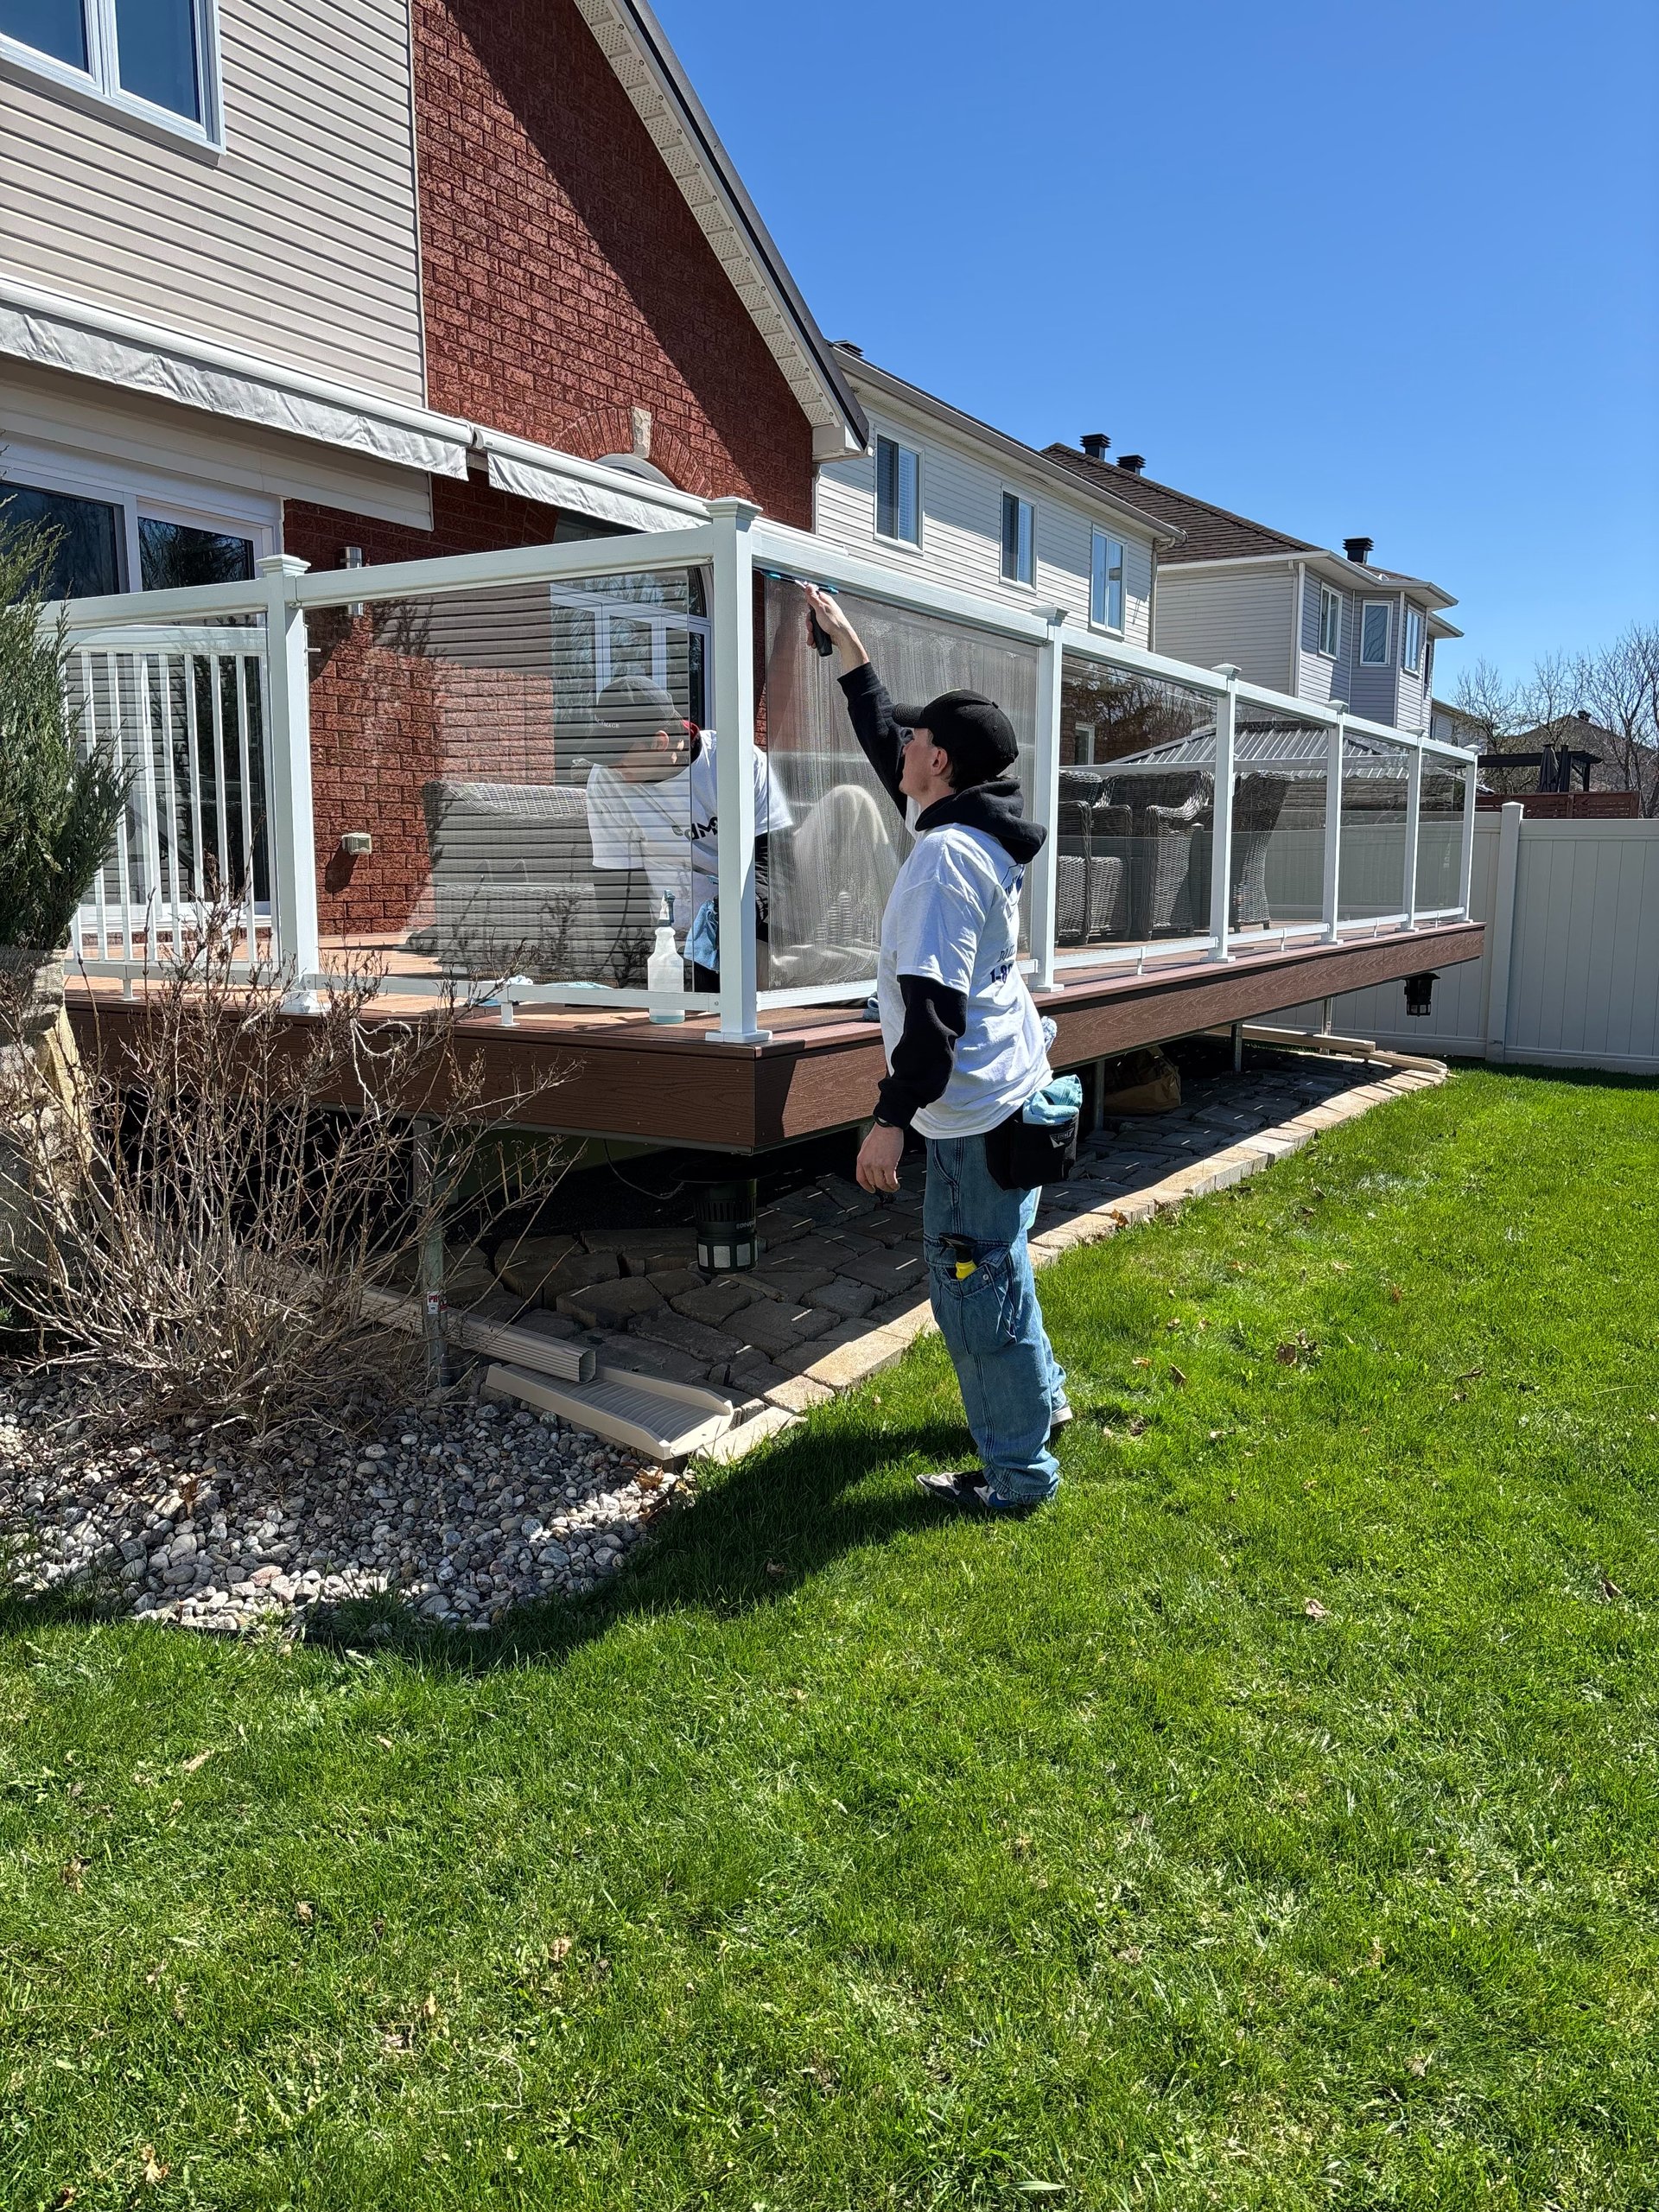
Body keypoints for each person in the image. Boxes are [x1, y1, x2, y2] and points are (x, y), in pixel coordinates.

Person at [804, 583, 1071, 1516]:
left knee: (974, 1296)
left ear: (941, 763)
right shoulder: (973, 827)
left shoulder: (942, 863)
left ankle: (1018, 1477)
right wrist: (849, 648)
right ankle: (1045, 1405)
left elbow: (932, 1020)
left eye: (918, 740)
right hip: (1015, 1088)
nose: (902, 748)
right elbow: (886, 738)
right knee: (1003, 1264)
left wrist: (890, 1120)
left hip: (970, 1116)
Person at [582, 675, 791, 990]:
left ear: (659, 742)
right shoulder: (605, 782)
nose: (609, 765)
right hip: (669, 942)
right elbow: (617, 887)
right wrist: (635, 976)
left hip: (747, 925)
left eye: (617, 753)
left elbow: (774, 857)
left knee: (849, 802)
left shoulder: (736, 761)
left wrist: (734, 917)